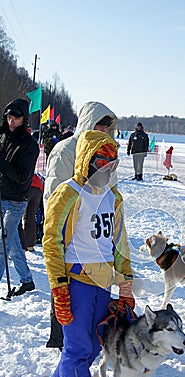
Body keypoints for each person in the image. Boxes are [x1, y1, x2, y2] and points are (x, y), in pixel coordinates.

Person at [43, 129, 135, 377]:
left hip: (103, 284)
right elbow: (52, 242)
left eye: (113, 164)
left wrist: (126, 287)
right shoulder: (69, 192)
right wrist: (59, 289)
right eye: (102, 162)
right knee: (79, 346)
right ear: (87, 161)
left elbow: (120, 246)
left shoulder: (113, 197)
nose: (107, 169)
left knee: (96, 342)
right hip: (75, 283)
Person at [44, 101, 117, 350]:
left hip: (94, 235)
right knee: (63, 289)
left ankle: (83, 344)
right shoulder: (66, 150)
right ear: (87, 123)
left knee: (88, 302)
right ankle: (61, 341)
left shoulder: (106, 151)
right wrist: (56, 231)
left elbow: (108, 188)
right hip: (69, 234)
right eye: (99, 125)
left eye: (108, 126)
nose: (104, 130)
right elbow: (54, 192)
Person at [0, 98, 39, 295]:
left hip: (16, 201)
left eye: (15, 117)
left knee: (2, 244)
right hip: (1, 195)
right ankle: (27, 280)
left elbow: (22, 176)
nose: (11, 121)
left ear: (24, 119)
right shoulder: (2, 136)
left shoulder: (29, 145)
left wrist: (2, 164)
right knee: (12, 242)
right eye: (9, 116)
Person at [19, 172, 44, 252]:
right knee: (31, 217)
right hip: (38, 188)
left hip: (26, 186)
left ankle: (21, 245)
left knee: (17, 218)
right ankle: (30, 245)